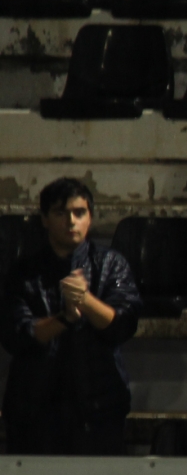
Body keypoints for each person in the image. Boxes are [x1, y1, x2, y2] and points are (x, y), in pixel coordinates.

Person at [1, 178, 141, 455]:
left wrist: (85, 300)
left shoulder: (111, 264)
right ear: (44, 219)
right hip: (34, 410)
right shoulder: (23, 272)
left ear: (90, 217)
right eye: (60, 213)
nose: (71, 221)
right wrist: (65, 318)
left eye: (79, 213)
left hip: (99, 410)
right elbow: (17, 335)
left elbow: (123, 324)